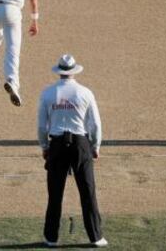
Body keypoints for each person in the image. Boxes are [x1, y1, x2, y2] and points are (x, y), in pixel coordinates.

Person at [37, 54, 107, 248]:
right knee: (88, 192)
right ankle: (96, 237)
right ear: (74, 71)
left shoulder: (48, 93)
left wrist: (44, 147)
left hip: (57, 145)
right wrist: (95, 146)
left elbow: (42, 126)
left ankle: (51, 238)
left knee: (55, 194)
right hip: (80, 144)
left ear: (59, 72)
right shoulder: (85, 92)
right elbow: (95, 124)